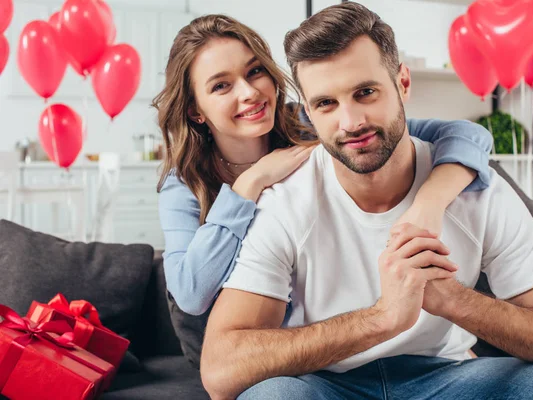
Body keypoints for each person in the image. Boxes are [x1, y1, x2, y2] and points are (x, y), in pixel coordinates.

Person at [199, 3, 533, 400]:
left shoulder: (479, 192)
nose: (351, 122)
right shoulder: (284, 201)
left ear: (403, 83)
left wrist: (456, 301)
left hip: (449, 377)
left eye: (366, 92)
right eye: (326, 103)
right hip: (324, 382)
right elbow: (221, 369)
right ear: (308, 111)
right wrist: (382, 319)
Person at [154, 13, 494, 367]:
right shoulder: (182, 184)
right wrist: (249, 185)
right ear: (195, 110)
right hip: (252, 352)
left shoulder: (315, 119)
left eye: (255, 71)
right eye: (221, 86)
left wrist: (430, 204)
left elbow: (469, 135)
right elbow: (190, 294)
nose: (250, 92)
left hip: (338, 337)